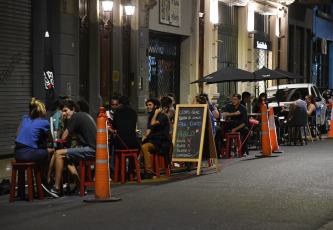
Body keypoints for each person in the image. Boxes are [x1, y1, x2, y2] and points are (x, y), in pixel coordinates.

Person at [43, 100, 97, 198]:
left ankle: (56, 188)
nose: (63, 114)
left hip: (92, 150)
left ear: (73, 109)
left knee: (59, 153)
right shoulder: (82, 115)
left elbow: (63, 137)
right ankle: (79, 186)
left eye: (65, 111)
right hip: (94, 149)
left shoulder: (75, 117)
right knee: (65, 158)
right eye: (62, 111)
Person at [14, 98, 55, 179]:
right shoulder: (44, 123)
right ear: (40, 110)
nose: (45, 110)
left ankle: (41, 179)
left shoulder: (25, 118)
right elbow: (51, 140)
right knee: (52, 151)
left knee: (41, 153)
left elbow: (16, 136)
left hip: (17, 154)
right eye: (44, 108)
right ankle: (49, 177)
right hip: (29, 154)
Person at [108, 96, 140, 176]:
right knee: (138, 147)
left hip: (120, 143)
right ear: (130, 103)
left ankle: (119, 170)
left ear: (120, 104)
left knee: (114, 146)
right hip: (132, 142)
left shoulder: (117, 113)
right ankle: (131, 170)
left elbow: (114, 126)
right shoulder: (134, 112)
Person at [141, 98, 170, 179]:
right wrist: (145, 136)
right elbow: (148, 130)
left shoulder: (162, 116)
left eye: (150, 105)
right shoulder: (151, 117)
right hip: (153, 139)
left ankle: (149, 172)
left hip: (161, 141)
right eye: (147, 105)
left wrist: (156, 113)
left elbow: (153, 123)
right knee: (139, 144)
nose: (148, 107)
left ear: (156, 106)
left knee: (145, 147)